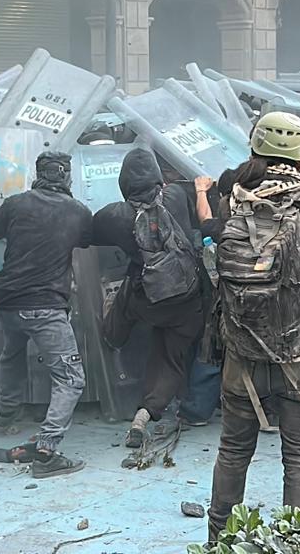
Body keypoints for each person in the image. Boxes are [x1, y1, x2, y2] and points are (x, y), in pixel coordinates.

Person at [206, 112, 300, 540]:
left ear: (254, 147)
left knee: (233, 450)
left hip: (241, 352)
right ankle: (296, 544)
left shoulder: (232, 198)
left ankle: (219, 541)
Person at [0, 151, 93, 478]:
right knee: (70, 378)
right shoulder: (79, 213)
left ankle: (6, 415)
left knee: (12, 353)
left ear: (38, 174)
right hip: (45, 306)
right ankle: (46, 450)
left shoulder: (17, 203)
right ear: (67, 177)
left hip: (7, 302)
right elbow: (87, 241)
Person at [92, 148, 206, 445]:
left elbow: (89, 234)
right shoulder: (177, 198)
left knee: (124, 297)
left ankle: (113, 337)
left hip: (147, 301)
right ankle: (145, 413)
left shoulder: (114, 216)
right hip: (187, 299)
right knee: (169, 360)